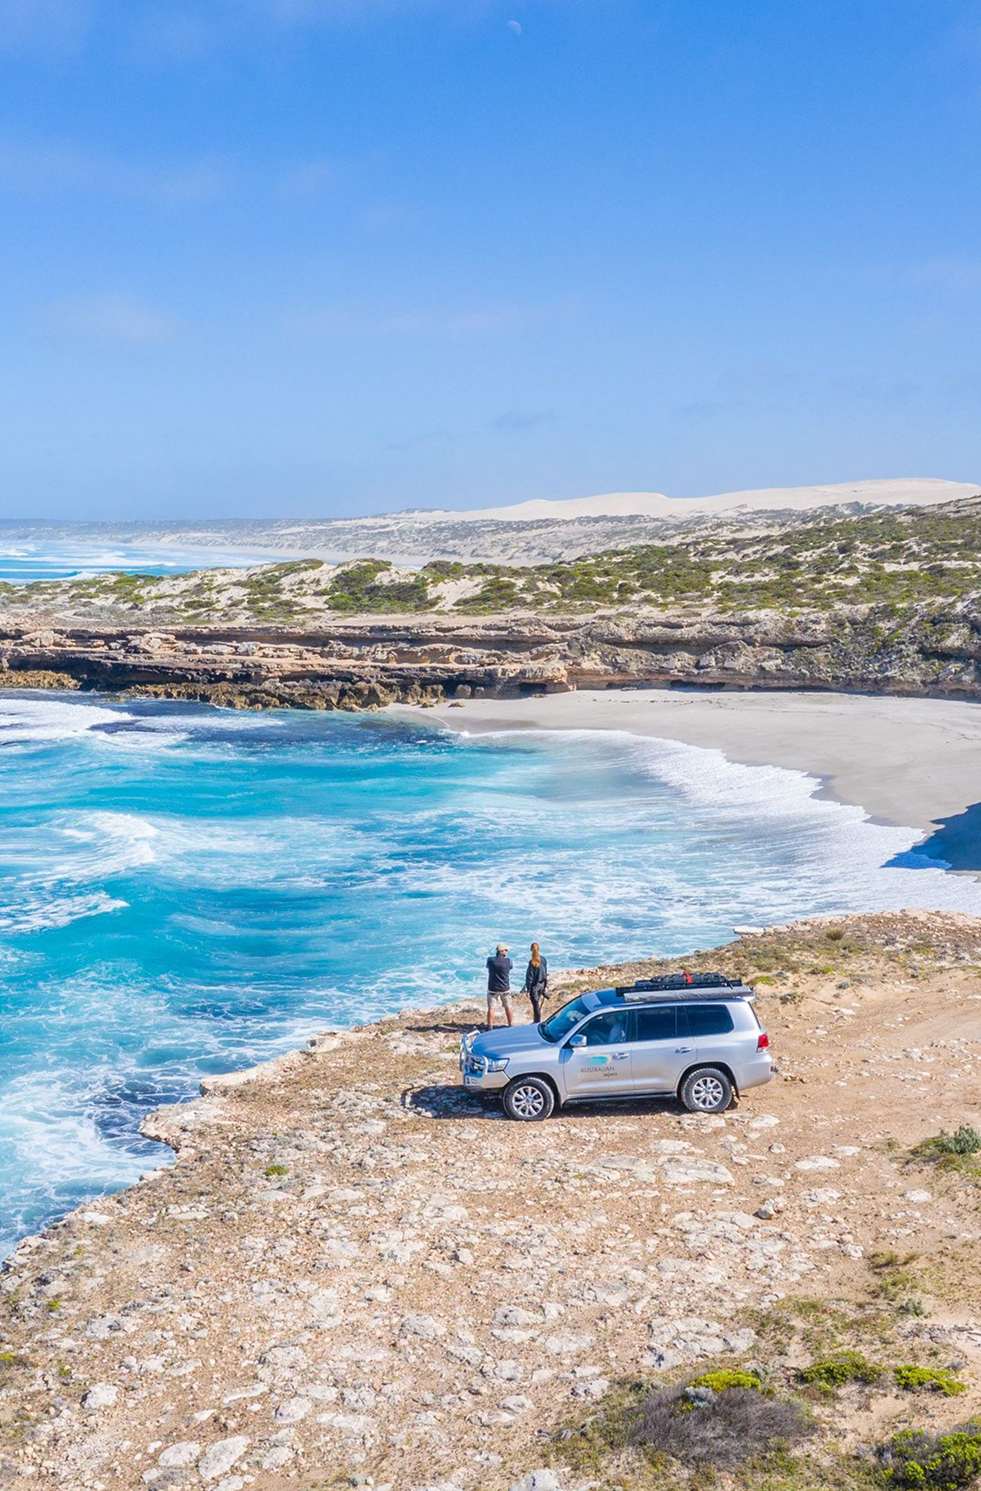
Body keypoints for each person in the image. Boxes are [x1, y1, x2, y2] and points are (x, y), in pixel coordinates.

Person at [486, 941, 514, 1030]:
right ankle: (510, 1024)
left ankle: (490, 1026)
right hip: (505, 987)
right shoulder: (508, 961)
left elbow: (487, 966)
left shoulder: (490, 960)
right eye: (506, 950)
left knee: (491, 1007)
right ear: (502, 951)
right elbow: (511, 967)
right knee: (508, 1006)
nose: (506, 952)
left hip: (492, 987)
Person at [522, 942, 549, 1022]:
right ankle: (537, 1020)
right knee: (537, 1004)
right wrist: (546, 986)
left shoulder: (532, 962)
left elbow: (530, 977)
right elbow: (545, 972)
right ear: (539, 949)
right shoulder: (543, 959)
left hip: (534, 987)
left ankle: (536, 1021)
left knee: (535, 1006)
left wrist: (528, 990)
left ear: (531, 950)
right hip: (542, 984)